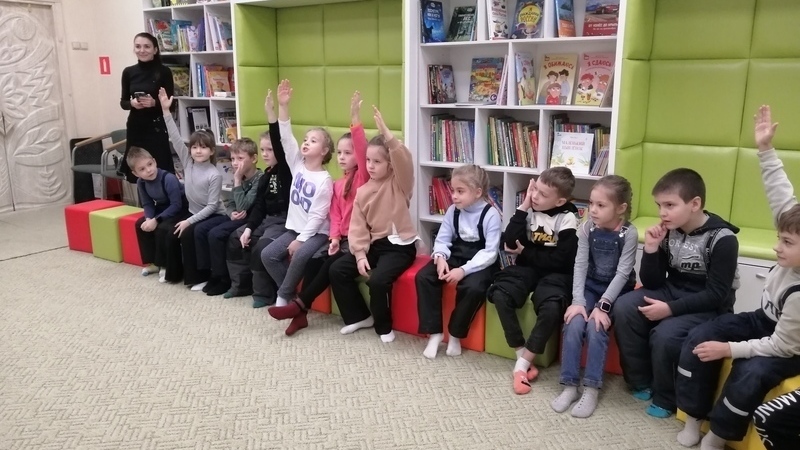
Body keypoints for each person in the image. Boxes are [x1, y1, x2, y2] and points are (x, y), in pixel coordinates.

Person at [674, 105, 800, 449]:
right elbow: (781, 194)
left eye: (786, 243)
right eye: (779, 238)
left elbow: (780, 346)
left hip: (789, 346)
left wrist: (729, 349)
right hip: (765, 320)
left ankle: (717, 436)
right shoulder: (794, 226)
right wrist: (765, 149)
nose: (776, 247)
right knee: (701, 335)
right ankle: (695, 417)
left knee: (749, 372)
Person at [613, 168, 739, 418]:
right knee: (625, 307)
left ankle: (666, 398)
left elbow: (717, 295)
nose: (662, 212)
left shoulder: (723, 239)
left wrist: (669, 310)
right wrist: (651, 249)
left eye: (670, 205)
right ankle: (640, 380)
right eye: (659, 205)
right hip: (673, 289)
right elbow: (652, 282)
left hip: (710, 304)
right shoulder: (668, 230)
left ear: (695, 204)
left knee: (666, 334)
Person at [267, 91, 369, 335]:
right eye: (340, 153)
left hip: (355, 241)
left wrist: (355, 118)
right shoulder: (337, 183)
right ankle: (298, 310)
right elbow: (335, 215)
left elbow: (362, 150)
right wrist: (334, 238)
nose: (342, 158)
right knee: (310, 263)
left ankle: (295, 306)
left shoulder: (362, 179)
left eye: (348, 153)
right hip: (338, 239)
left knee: (322, 264)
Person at [329, 105, 418, 343]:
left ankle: (383, 326)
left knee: (378, 280)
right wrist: (359, 255)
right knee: (337, 270)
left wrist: (387, 135)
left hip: (400, 246)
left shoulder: (400, 183)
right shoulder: (363, 191)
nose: (370, 165)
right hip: (375, 245)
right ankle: (359, 316)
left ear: (389, 164)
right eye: (368, 160)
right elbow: (357, 227)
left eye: (377, 161)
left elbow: (404, 160)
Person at [487, 167, 579, 395]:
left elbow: (561, 260)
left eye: (542, 194)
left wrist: (526, 252)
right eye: (535, 189)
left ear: (560, 201)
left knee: (552, 307)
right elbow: (509, 242)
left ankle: (522, 364)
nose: (536, 196)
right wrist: (524, 205)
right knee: (500, 293)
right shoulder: (530, 209)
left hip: (557, 274)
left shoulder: (568, 218)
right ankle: (521, 353)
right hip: (528, 268)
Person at [551, 175, 637, 418]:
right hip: (589, 286)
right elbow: (579, 265)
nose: (593, 210)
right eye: (591, 203)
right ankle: (570, 385)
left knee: (596, 326)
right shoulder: (586, 228)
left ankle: (590, 388)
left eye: (601, 205)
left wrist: (603, 306)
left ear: (620, 208)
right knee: (574, 322)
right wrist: (578, 301)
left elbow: (622, 274)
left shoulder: (628, 233)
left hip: (616, 291)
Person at [260, 80, 334, 308]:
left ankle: (284, 297)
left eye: (313, 141)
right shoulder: (297, 165)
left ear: (324, 151)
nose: (306, 143)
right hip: (295, 228)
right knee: (268, 255)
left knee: (301, 255)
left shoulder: (325, 180)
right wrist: (283, 106)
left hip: (318, 233)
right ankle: (294, 297)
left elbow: (318, 217)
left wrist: (300, 240)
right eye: (305, 140)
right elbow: (285, 137)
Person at [416, 165, 501, 359]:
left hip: (481, 261)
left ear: (477, 192)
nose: (454, 196)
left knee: (473, 288)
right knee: (424, 277)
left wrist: (463, 270)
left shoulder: (491, 215)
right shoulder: (453, 211)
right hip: (456, 254)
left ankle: (455, 334)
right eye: (452, 190)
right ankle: (435, 333)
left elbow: (490, 252)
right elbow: (443, 239)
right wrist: (440, 257)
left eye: (460, 191)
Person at [225, 91, 293, 305]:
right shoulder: (265, 177)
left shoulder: (286, 171)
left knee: (260, 247)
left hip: (283, 222)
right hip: (266, 220)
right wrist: (248, 228)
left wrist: (272, 114)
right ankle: (240, 286)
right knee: (235, 238)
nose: (264, 154)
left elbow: (280, 144)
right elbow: (259, 208)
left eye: (269, 150)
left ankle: (263, 294)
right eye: (262, 149)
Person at [158, 87, 227, 284]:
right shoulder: (188, 162)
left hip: (213, 215)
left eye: (203, 148)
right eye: (194, 147)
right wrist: (166, 111)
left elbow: (212, 207)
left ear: (211, 151)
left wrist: (189, 221)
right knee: (170, 231)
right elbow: (175, 138)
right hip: (193, 211)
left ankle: (198, 277)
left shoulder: (214, 174)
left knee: (189, 233)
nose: (198, 151)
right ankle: (173, 274)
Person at [199, 138, 264, 296]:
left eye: (240, 158)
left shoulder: (259, 178)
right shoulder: (240, 175)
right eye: (233, 159)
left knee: (216, 234)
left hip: (251, 219)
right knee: (203, 229)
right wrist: (231, 213)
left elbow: (243, 205)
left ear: (254, 158)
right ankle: (212, 274)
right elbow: (230, 203)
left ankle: (223, 278)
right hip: (237, 217)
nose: (235, 163)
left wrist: (237, 180)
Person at [118, 32, 175, 183]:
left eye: (147, 47)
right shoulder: (128, 72)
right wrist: (132, 104)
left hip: (156, 127)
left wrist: (154, 103)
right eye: (138, 46)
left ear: (155, 49)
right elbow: (123, 102)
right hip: (136, 127)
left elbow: (172, 104)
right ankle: (142, 198)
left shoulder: (164, 72)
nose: (142, 50)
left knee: (160, 170)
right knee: (138, 171)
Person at [127, 146, 186, 282]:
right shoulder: (141, 182)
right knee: (140, 224)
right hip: (163, 207)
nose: (148, 170)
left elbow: (176, 205)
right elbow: (147, 204)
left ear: (154, 161)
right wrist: (149, 218)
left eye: (150, 164)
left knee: (162, 227)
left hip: (181, 208)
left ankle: (164, 264)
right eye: (142, 169)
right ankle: (154, 262)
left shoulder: (168, 178)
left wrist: (156, 220)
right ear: (135, 173)